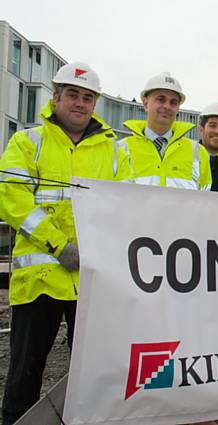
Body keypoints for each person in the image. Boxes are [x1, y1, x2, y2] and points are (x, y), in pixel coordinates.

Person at [0, 62, 132, 424]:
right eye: (72, 94)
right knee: (25, 372)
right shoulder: (27, 141)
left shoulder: (115, 152)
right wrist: (59, 245)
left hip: (91, 280)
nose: (79, 103)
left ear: (95, 104)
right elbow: (14, 201)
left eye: (87, 97)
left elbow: (124, 207)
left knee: (92, 374)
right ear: (55, 97)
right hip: (40, 278)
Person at [119, 72, 211, 190]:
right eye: (161, 99)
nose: (167, 106)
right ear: (146, 104)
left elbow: (204, 201)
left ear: (177, 109)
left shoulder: (198, 152)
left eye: (173, 102)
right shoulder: (121, 150)